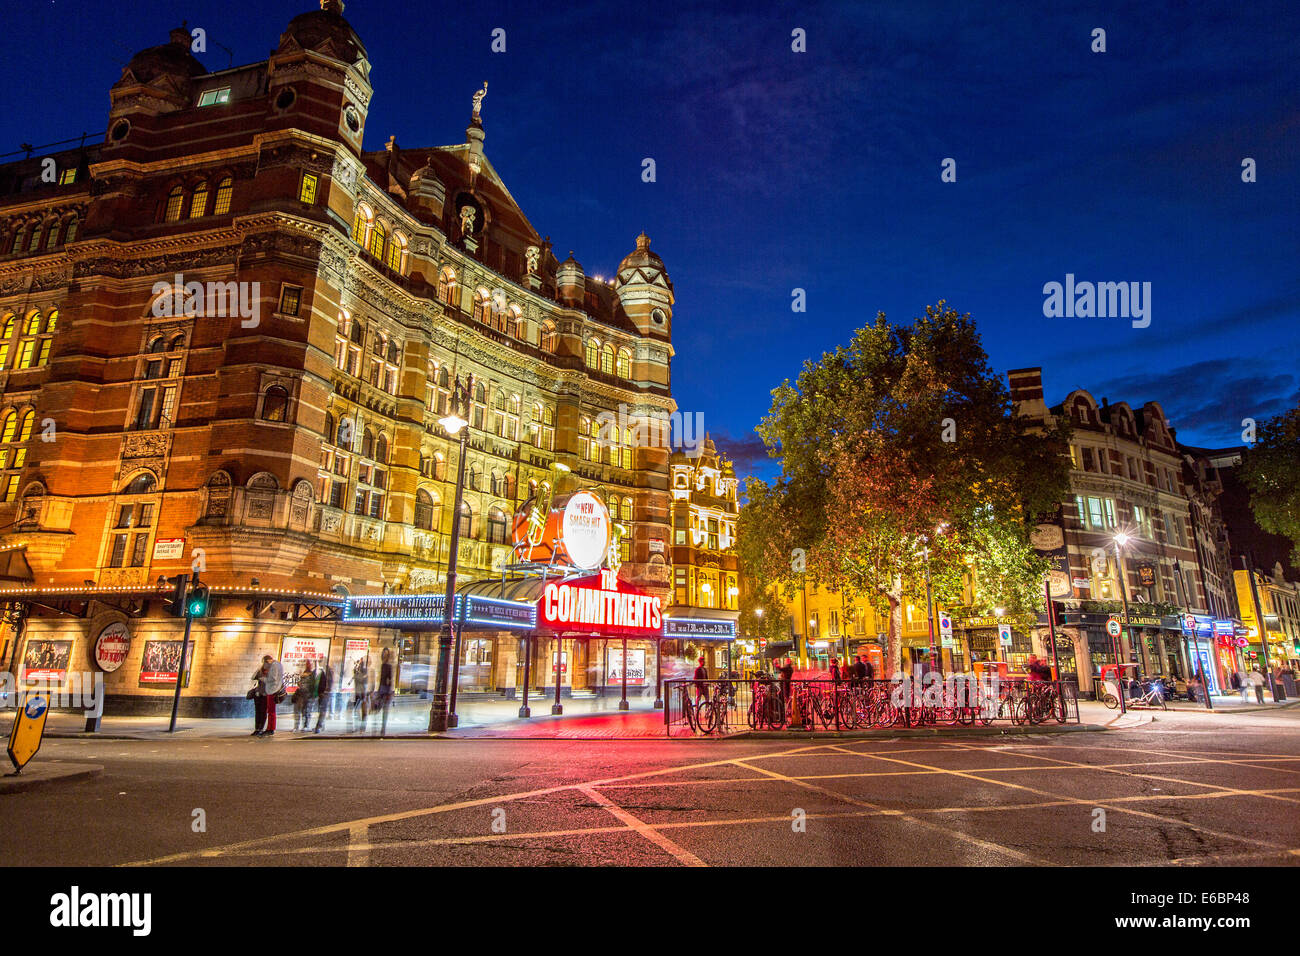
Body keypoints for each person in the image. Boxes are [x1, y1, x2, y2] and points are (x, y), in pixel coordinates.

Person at [257, 654, 285, 737]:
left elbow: (273, 678)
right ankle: (270, 728)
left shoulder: (274, 665)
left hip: (273, 689)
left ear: (267, 661)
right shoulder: (278, 664)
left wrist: (263, 678)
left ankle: (270, 729)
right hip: (275, 689)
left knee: (271, 711)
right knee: (271, 711)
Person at [292, 658, 317, 732]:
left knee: (306, 711)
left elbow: (312, 685)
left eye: (310, 664)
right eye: (308, 663)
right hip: (301, 694)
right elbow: (299, 683)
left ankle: (305, 726)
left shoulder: (312, 674)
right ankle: (297, 726)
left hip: (308, 695)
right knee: (299, 711)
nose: (308, 665)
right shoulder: (304, 674)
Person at [351, 655, 371, 731]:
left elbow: (363, 680)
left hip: (363, 693)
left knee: (363, 711)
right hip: (358, 692)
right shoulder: (357, 670)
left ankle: (362, 727)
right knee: (356, 710)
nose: (360, 662)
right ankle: (358, 726)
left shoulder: (365, 670)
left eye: (361, 661)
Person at [250, 660, 269, 736]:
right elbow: (253, 678)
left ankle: (261, 728)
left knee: (263, 712)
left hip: (265, 695)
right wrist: (258, 670)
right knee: (257, 712)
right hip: (258, 694)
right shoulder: (260, 672)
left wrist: (265, 679)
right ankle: (256, 729)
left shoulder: (270, 673)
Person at [314, 659, 333, 733]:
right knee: (321, 710)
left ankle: (319, 726)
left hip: (324, 694)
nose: (320, 663)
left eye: (321, 661)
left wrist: (325, 692)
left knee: (322, 711)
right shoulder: (323, 671)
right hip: (321, 694)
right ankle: (321, 726)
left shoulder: (328, 671)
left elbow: (330, 683)